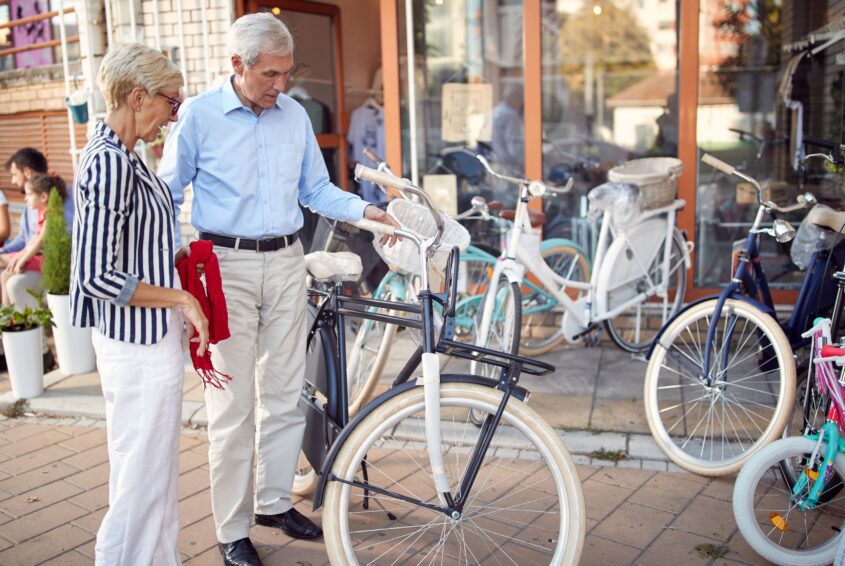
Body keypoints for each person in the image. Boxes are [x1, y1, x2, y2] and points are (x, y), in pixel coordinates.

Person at [158, 13, 398, 566]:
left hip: (289, 259)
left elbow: (316, 189)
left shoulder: (292, 116)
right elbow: (166, 196)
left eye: (286, 73)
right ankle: (232, 528)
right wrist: (178, 270)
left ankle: (271, 502)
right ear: (236, 65)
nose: (280, 85)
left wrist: (369, 213)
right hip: (224, 266)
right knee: (233, 407)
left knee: (287, 394)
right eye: (269, 74)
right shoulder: (197, 116)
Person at [70, 43, 209, 566]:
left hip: (143, 337)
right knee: (139, 477)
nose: (174, 117)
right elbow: (95, 274)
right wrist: (180, 297)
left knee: (151, 474)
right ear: (137, 96)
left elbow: (140, 245)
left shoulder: (125, 154)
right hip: (136, 342)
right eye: (171, 104)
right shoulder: (110, 163)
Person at [0, 173, 67, 305]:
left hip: (43, 261)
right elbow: (33, 241)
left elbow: (39, 242)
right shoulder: (41, 213)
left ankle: (9, 316)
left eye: (29, 195)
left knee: (5, 273)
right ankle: (7, 315)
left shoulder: (51, 214)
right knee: (4, 275)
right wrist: (19, 255)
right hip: (35, 256)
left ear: (43, 197)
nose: (25, 199)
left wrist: (21, 261)